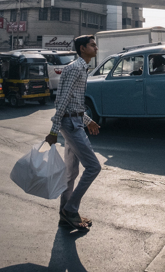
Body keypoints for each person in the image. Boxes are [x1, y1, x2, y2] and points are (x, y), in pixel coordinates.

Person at [46, 35, 101, 231]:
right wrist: (53, 131)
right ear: (82, 48)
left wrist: (88, 121)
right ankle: (70, 209)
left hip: (76, 121)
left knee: (71, 173)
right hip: (70, 125)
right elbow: (61, 101)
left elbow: (74, 104)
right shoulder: (74, 69)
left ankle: (64, 215)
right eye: (92, 45)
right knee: (94, 167)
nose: (96, 48)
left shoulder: (83, 69)